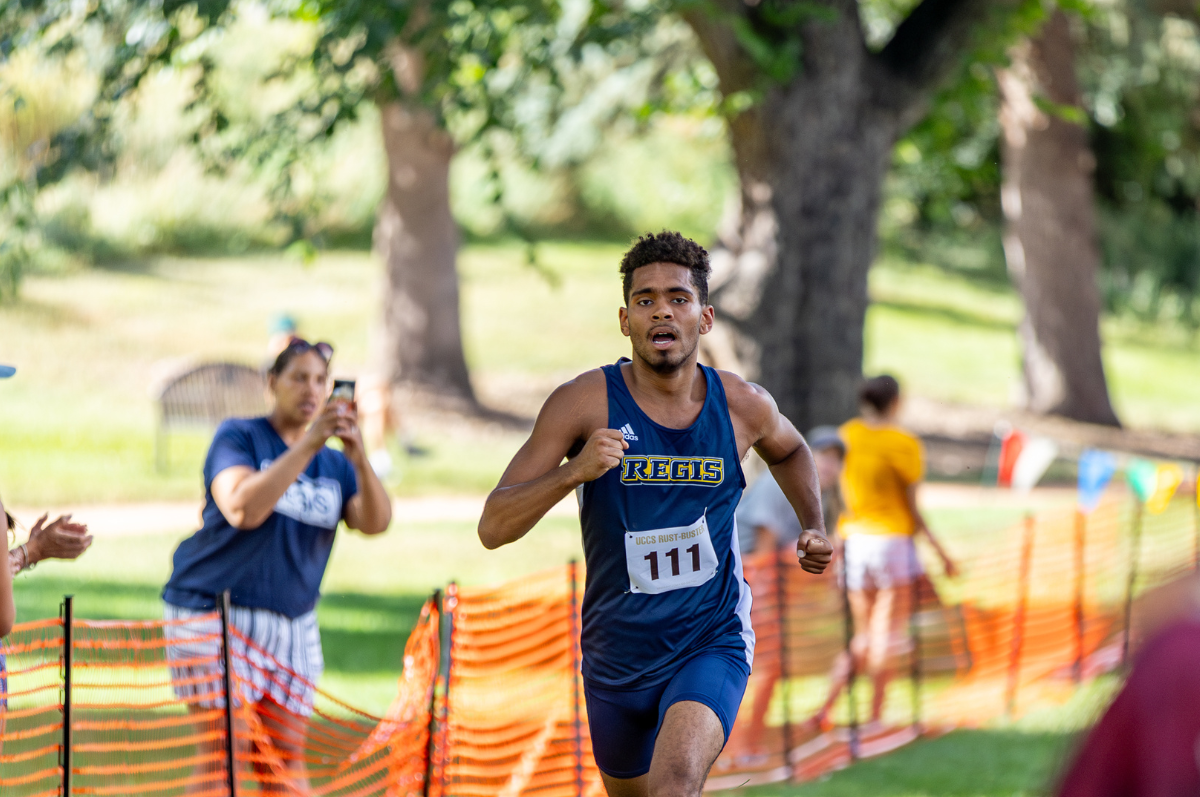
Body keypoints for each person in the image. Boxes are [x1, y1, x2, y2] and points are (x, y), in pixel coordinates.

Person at [477, 231, 832, 797]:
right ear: (625, 320)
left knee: (675, 785)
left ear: (705, 317)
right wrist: (573, 472)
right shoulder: (583, 403)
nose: (661, 310)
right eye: (645, 300)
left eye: (678, 298)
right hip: (616, 655)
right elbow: (493, 526)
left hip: (709, 639)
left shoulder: (742, 404)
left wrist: (813, 523)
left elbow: (789, 448)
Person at [161, 339, 392, 793]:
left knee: (282, 760)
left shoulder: (334, 463)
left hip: (292, 621)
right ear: (272, 382)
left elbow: (375, 521)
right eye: (298, 378)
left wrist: (358, 453)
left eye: (321, 380)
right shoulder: (239, 436)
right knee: (225, 753)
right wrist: (308, 443)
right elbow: (241, 509)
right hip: (213, 612)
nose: (311, 389)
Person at [804, 375, 956, 732]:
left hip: (856, 543)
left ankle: (824, 710)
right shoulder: (903, 442)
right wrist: (941, 553)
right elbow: (913, 509)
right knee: (885, 636)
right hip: (891, 546)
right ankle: (874, 718)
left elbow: (842, 497)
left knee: (863, 636)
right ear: (896, 402)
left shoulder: (848, 435)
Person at [731, 426, 845, 762]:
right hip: (748, 582)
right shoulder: (777, 486)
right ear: (807, 455)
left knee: (771, 666)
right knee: (756, 667)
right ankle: (738, 745)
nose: (829, 465)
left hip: (776, 588)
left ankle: (749, 740)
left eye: (837, 460)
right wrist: (767, 604)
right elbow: (765, 553)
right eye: (823, 456)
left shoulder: (827, 498)